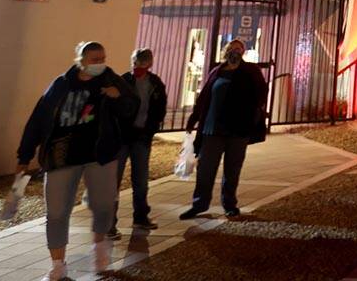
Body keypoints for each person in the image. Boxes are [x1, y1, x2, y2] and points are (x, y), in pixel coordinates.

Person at [16, 41, 138, 281]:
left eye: (103, 58)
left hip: (99, 155)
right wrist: (24, 155)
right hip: (62, 157)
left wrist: (117, 97)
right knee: (57, 211)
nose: (100, 63)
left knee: (103, 205)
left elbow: (131, 107)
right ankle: (57, 265)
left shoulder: (112, 81)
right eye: (94, 59)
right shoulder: (61, 85)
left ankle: (100, 249)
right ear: (80, 61)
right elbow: (38, 120)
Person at [179, 39, 268, 219]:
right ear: (226, 51)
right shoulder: (217, 72)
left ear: (243, 52)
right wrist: (194, 118)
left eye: (238, 49)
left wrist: (252, 115)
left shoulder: (251, 71)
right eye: (231, 49)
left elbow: (261, 94)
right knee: (205, 168)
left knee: (232, 169)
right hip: (213, 129)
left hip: (238, 129)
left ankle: (229, 204)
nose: (235, 52)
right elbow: (204, 97)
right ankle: (199, 204)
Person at [109, 47, 167, 237]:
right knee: (113, 180)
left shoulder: (155, 84)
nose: (138, 67)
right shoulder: (123, 81)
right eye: (135, 63)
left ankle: (141, 216)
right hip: (122, 137)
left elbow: (160, 109)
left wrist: (151, 128)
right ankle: (109, 223)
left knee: (140, 179)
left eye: (141, 63)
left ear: (149, 64)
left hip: (142, 137)